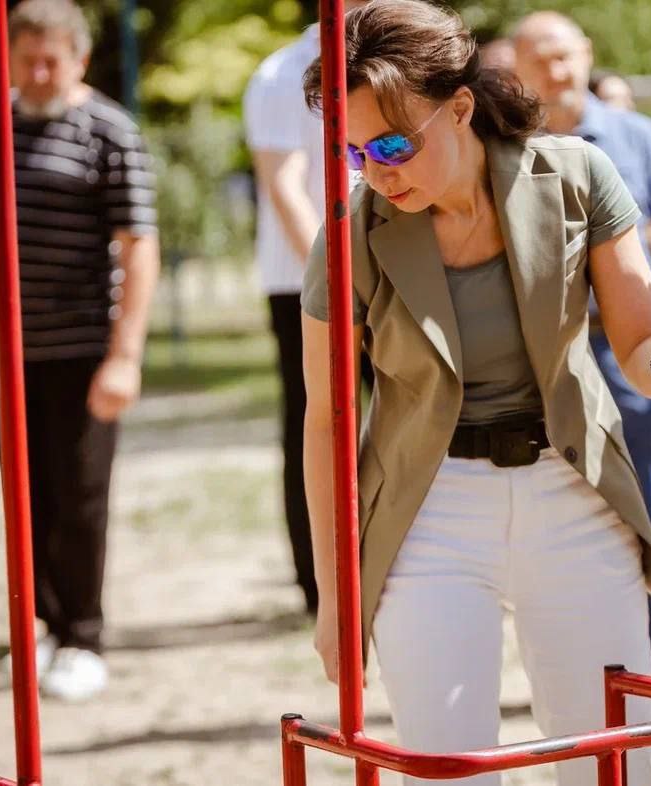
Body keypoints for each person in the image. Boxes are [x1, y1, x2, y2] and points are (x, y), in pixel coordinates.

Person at [301, 2, 651, 784]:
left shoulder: (575, 175)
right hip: (426, 510)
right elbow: (325, 421)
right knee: (446, 765)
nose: (376, 171)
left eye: (391, 145)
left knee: (612, 763)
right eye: (354, 152)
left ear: (460, 107)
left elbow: (638, 347)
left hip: (572, 488)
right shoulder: (350, 234)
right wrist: (334, 596)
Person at [0, 0, 159, 702]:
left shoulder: (110, 131)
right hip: (2, 352)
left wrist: (125, 355)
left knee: (79, 495)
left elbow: (139, 246)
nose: (39, 73)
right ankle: (38, 623)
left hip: (82, 349)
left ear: (79, 59)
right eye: (26, 59)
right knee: (24, 494)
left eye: (52, 60)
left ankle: (83, 636)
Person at [511, 10, 651, 684]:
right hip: (546, 353)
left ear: (586, 53)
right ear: (517, 67)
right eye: (539, 58)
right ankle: (583, 662)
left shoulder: (637, 135)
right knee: (561, 505)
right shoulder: (507, 146)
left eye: (564, 55)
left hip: (632, 346)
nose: (556, 70)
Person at [243, 0, 370, 618]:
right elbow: (284, 186)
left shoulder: (391, 59)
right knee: (318, 422)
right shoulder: (281, 74)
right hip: (306, 282)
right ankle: (321, 582)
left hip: (386, 276)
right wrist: (336, 280)